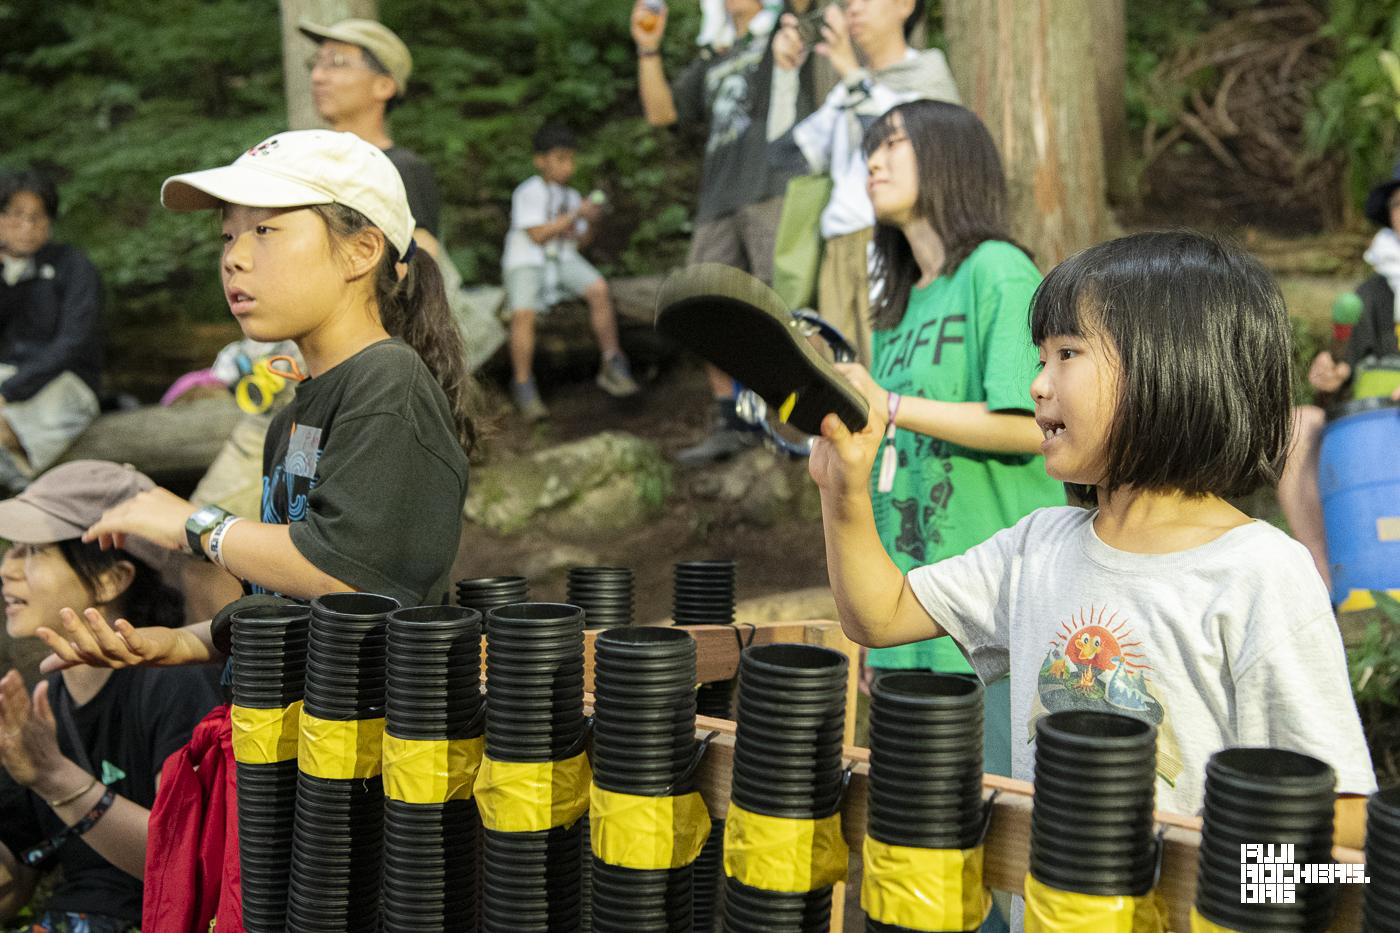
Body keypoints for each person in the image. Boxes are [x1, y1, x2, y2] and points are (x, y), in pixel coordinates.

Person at [809, 232, 1376, 869]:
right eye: (1040, 358)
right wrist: (844, 491)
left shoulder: (1260, 572)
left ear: (1174, 366)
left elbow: (1347, 821)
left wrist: (1225, 888)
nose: (1037, 385)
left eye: (1067, 354)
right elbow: (878, 615)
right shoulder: (1037, 545)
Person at [37, 128, 475, 669]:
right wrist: (180, 642)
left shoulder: (388, 380)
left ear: (361, 251)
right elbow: (287, 599)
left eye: (264, 230)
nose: (235, 258)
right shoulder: (291, 418)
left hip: (380, 738)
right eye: (227, 237)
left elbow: (346, 574)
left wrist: (194, 526)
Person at [841, 101, 1065, 786]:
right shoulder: (900, 305)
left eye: (893, 144)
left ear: (950, 156)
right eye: (869, 149)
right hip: (909, 615)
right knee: (924, 844)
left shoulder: (997, 271)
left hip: (995, 614)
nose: (873, 161)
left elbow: (1034, 426)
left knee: (1004, 832)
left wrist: (895, 405)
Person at [0, 461, 221, 933]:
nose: (7, 569)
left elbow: (190, 867)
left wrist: (56, 778)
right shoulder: (43, 698)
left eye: (34, 551)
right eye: (11, 550)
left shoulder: (173, 685)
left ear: (111, 580)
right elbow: (13, 877)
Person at [633, 0, 817, 465]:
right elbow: (662, 113)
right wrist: (648, 49)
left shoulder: (784, 24)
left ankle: (811, 418)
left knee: (786, 305)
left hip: (773, 185)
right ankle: (734, 422)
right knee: (706, 309)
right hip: (716, 200)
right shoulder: (714, 53)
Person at [773, 0, 959, 367]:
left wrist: (850, 71)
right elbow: (784, 156)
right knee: (840, 376)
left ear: (906, 6)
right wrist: (784, 76)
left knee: (892, 366)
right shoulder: (844, 93)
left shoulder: (927, 71)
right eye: (847, 2)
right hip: (838, 251)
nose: (853, 9)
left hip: (897, 244)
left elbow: (915, 144)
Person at [1278, 161, 1400, 590]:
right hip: (1375, 436)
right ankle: (1326, 577)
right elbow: (1343, 381)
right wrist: (1331, 376)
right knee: (1300, 425)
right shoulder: (1369, 296)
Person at [503, 124, 640, 421]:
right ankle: (523, 383)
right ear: (541, 160)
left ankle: (612, 361)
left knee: (599, 289)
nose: (568, 166)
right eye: (560, 158)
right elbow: (537, 235)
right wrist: (577, 214)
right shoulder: (528, 191)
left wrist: (591, 221)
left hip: (563, 260)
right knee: (523, 313)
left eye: (571, 159)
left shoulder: (572, 196)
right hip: (527, 260)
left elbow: (581, 241)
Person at [0, 170, 104, 495]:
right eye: (17, 216)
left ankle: (18, 484)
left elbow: (73, 343)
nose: (28, 228)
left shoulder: (74, 267)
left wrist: (10, 390)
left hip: (65, 381)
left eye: (38, 218)